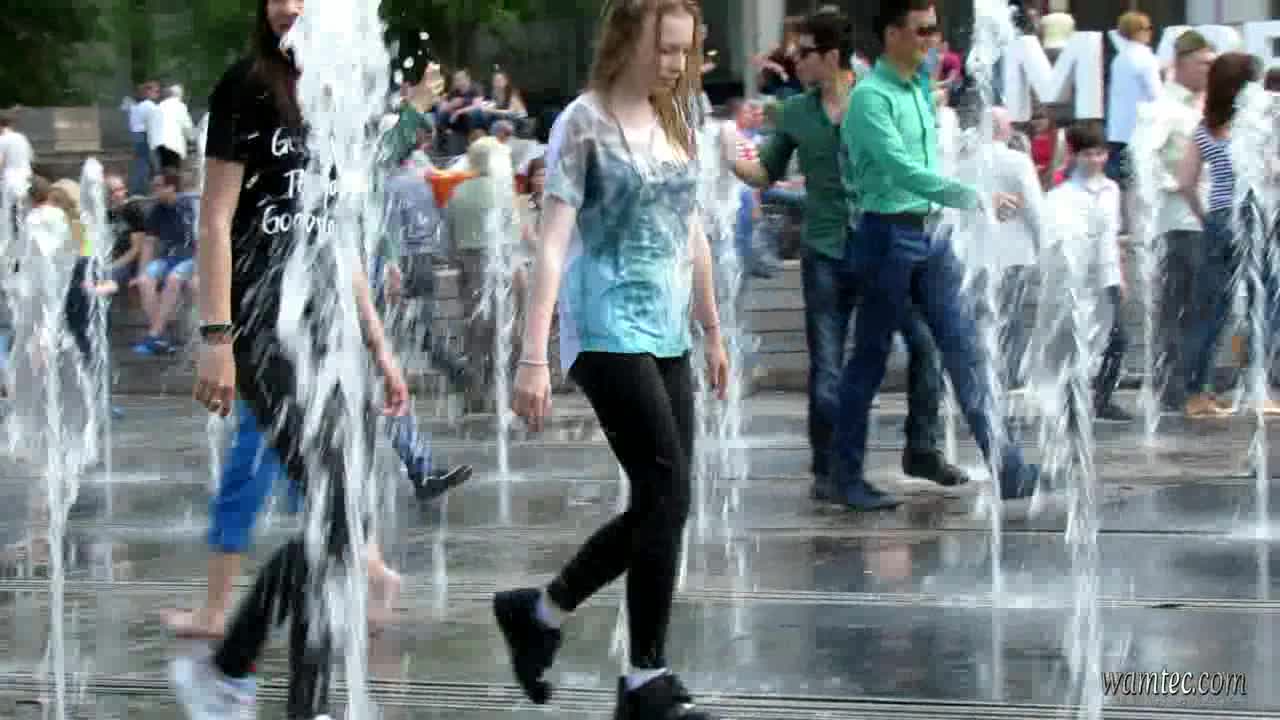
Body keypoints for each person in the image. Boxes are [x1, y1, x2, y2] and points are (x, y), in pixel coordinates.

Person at [168, 1, 409, 719]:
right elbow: (215, 218)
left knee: (339, 526)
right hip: (260, 325)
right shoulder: (247, 84)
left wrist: (378, 344)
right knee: (334, 517)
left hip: (327, 325)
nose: (288, 6)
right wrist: (216, 338)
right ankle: (246, 672)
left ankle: (266, 685)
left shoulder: (341, 90)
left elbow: (337, 234)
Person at [495, 2, 728, 718]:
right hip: (602, 327)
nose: (675, 64)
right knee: (665, 490)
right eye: (665, 49)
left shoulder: (675, 118)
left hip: (667, 330)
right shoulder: (583, 123)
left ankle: (546, 616)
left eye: (684, 51)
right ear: (626, 41)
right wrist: (533, 356)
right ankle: (642, 676)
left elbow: (692, 233)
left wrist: (712, 330)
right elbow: (552, 243)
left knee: (668, 502)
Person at [725, 8, 965, 508]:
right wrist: (731, 159)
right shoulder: (797, 112)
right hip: (827, 252)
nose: (795, 61)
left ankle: (921, 448)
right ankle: (830, 471)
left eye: (805, 53)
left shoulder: (876, 96)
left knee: (925, 345)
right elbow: (766, 172)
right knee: (828, 368)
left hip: (882, 246)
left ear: (831, 56)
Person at [837, 0, 1040, 506]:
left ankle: (1008, 468)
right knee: (870, 359)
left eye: (935, 29)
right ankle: (844, 477)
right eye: (923, 30)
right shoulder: (870, 99)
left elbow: (931, 168)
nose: (933, 39)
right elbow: (902, 171)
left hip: (930, 234)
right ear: (892, 34)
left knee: (965, 349)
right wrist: (974, 197)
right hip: (886, 235)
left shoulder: (919, 89)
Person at [1178, 52, 1269, 416]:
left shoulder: (1204, 128)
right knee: (1263, 304)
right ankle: (1258, 391)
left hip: (1219, 219)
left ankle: (1197, 394)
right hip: (1254, 217)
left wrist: (1207, 217)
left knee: (1211, 309)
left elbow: (1185, 182)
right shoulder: (1256, 126)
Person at [1132, 30, 1215, 413]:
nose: (1209, 70)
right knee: (1178, 309)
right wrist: (1174, 184)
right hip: (1178, 222)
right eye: (1202, 63)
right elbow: (1142, 157)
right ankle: (1174, 391)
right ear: (1180, 63)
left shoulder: (1202, 109)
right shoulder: (1162, 109)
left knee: (1202, 308)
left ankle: (1194, 388)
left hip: (1203, 219)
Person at [1047, 123, 1129, 420]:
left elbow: (1113, 235)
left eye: (1099, 153)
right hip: (1077, 279)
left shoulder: (1112, 190)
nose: (1095, 160)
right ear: (1074, 156)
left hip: (1107, 275)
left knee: (1118, 339)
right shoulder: (1063, 194)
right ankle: (1070, 399)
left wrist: (1120, 275)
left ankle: (1102, 398)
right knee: (1077, 338)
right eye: (1088, 154)